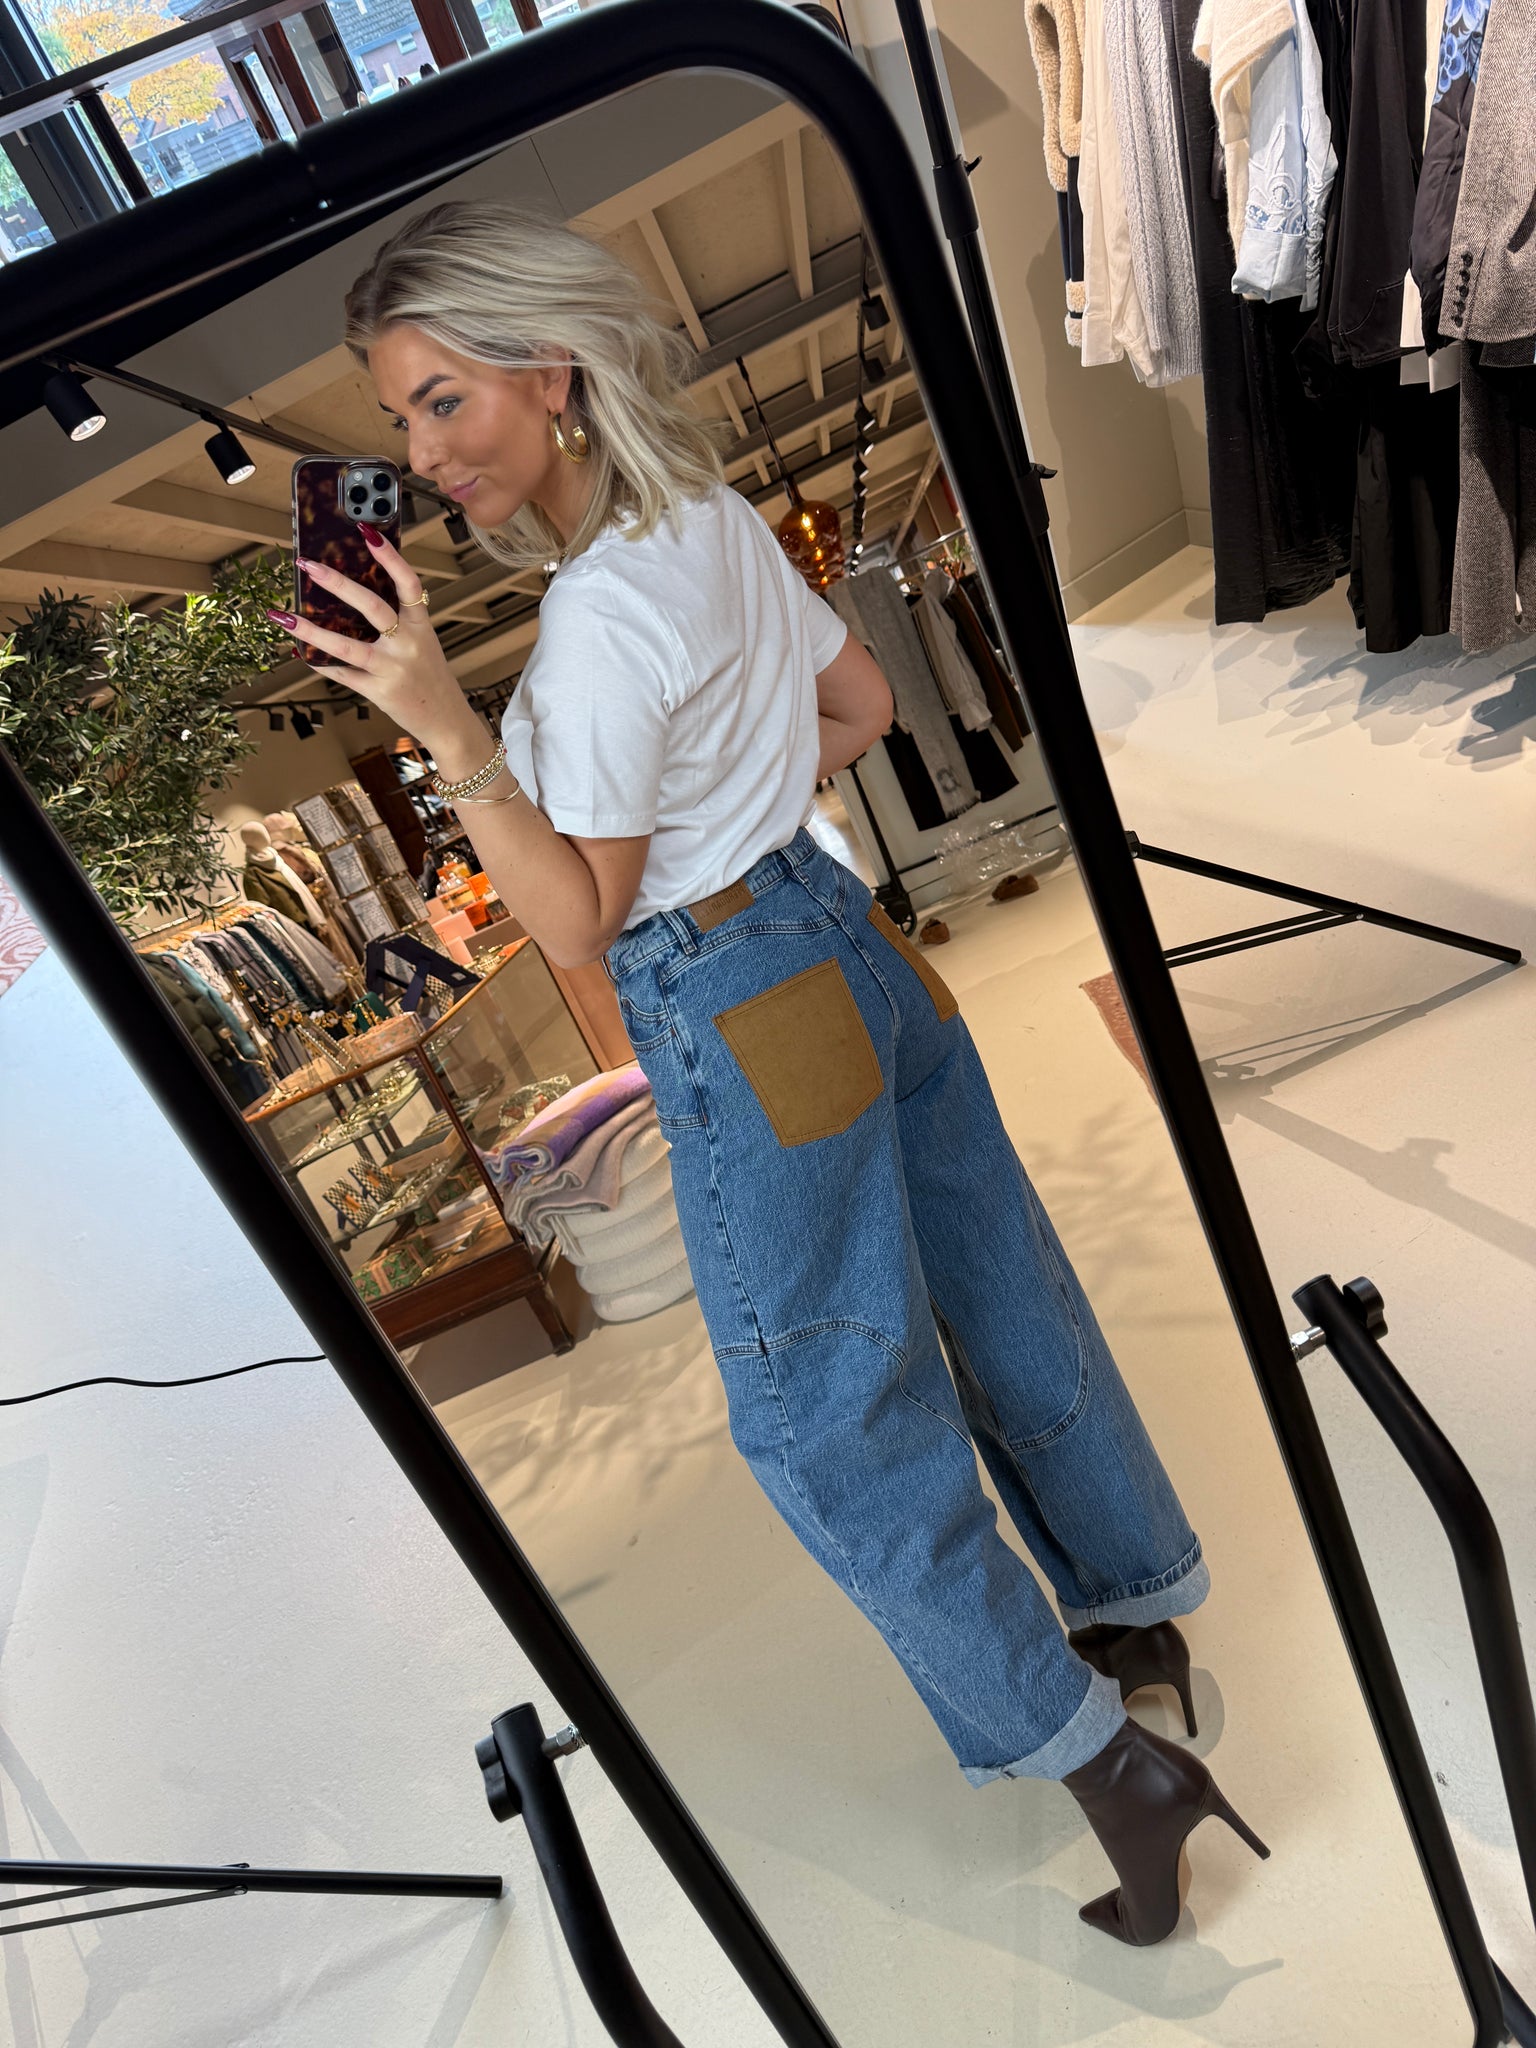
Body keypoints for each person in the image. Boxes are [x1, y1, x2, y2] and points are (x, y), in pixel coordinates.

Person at [267, 199, 1268, 1945]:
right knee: (995, 1280)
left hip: (735, 990)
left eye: (444, 400)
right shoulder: (710, 520)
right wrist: (733, 811)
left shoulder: (592, 627)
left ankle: (1107, 1764)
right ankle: (1137, 1611)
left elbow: (578, 924)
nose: (423, 455)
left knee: (820, 1422)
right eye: (397, 420)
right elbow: (862, 711)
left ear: (550, 373)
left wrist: (442, 720)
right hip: (843, 937)